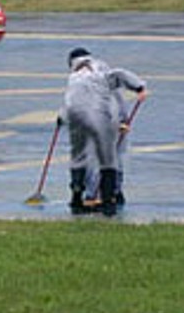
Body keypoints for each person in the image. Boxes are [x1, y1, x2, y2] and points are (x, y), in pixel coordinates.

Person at [58, 47, 148, 216]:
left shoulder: (77, 77)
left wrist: (62, 118)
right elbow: (118, 85)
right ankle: (112, 196)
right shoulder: (101, 69)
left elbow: (72, 102)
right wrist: (138, 88)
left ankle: (83, 197)